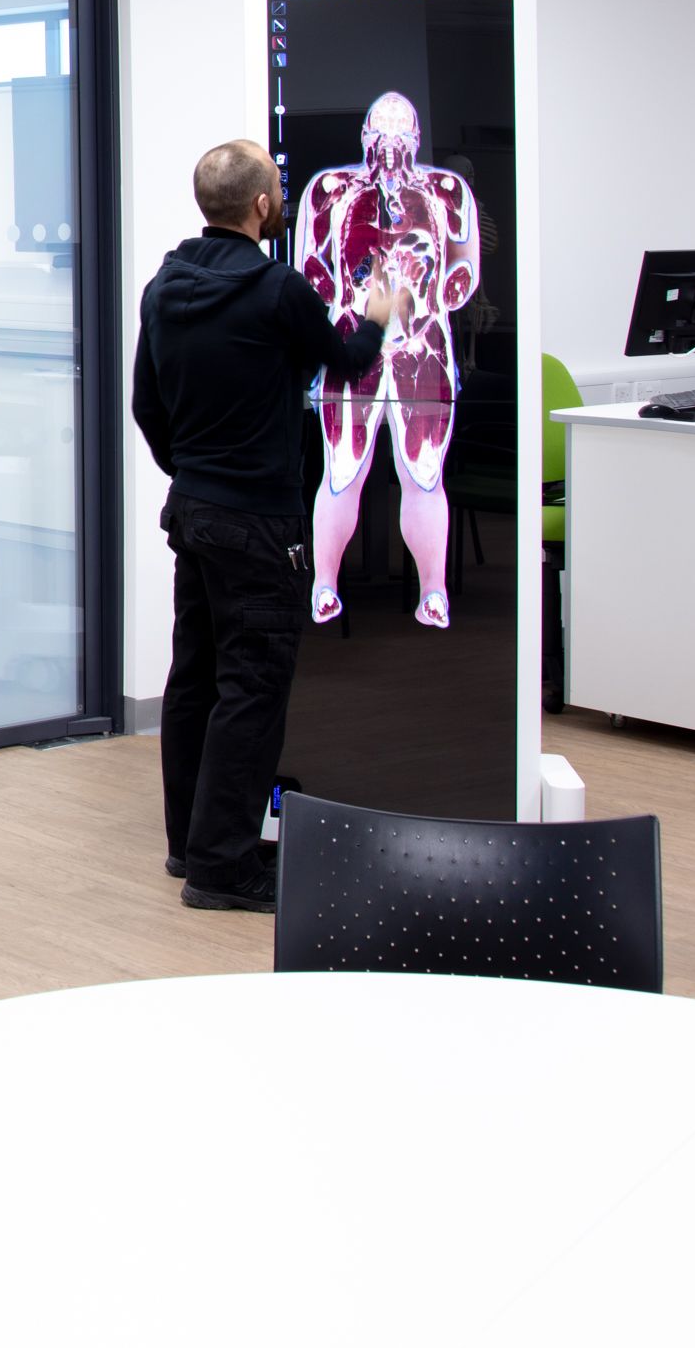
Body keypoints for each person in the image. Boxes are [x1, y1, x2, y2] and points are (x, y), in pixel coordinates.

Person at [131, 140, 404, 913]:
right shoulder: (278, 289)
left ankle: (190, 843)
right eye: (277, 187)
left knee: (195, 678)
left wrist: (193, 470)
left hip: (194, 513)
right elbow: (348, 359)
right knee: (252, 688)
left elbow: (146, 407)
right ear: (260, 205)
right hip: (257, 522)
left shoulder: (164, 286)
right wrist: (381, 313)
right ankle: (224, 866)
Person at [294, 91, 482, 630]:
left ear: (417, 139)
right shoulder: (331, 190)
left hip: (423, 344)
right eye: (382, 135)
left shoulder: (447, 191)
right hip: (352, 341)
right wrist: (355, 293)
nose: (391, 148)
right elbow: (310, 267)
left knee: (423, 474)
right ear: (365, 137)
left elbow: (464, 273)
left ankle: (433, 590)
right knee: (342, 470)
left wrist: (429, 291)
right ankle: (324, 582)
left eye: (402, 137)